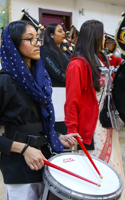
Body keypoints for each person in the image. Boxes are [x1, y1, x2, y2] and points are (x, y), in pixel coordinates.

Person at [0, 20, 81, 200]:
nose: (38, 43)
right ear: (13, 44)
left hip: (45, 159)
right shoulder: (4, 82)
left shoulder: (38, 77)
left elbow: (36, 122)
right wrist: (24, 149)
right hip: (20, 166)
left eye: (37, 38)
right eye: (30, 39)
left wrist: (57, 137)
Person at [64, 19, 125, 199]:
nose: (105, 38)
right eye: (102, 34)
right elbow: (71, 102)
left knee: (111, 167)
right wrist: (72, 131)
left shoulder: (98, 60)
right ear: (94, 36)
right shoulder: (77, 65)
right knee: (96, 173)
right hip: (91, 128)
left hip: (105, 124)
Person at [42, 23, 71, 135]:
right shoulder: (46, 51)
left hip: (66, 93)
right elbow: (58, 74)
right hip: (56, 95)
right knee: (60, 129)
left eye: (63, 31)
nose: (63, 33)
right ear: (51, 35)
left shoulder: (63, 50)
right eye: (59, 31)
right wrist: (74, 79)